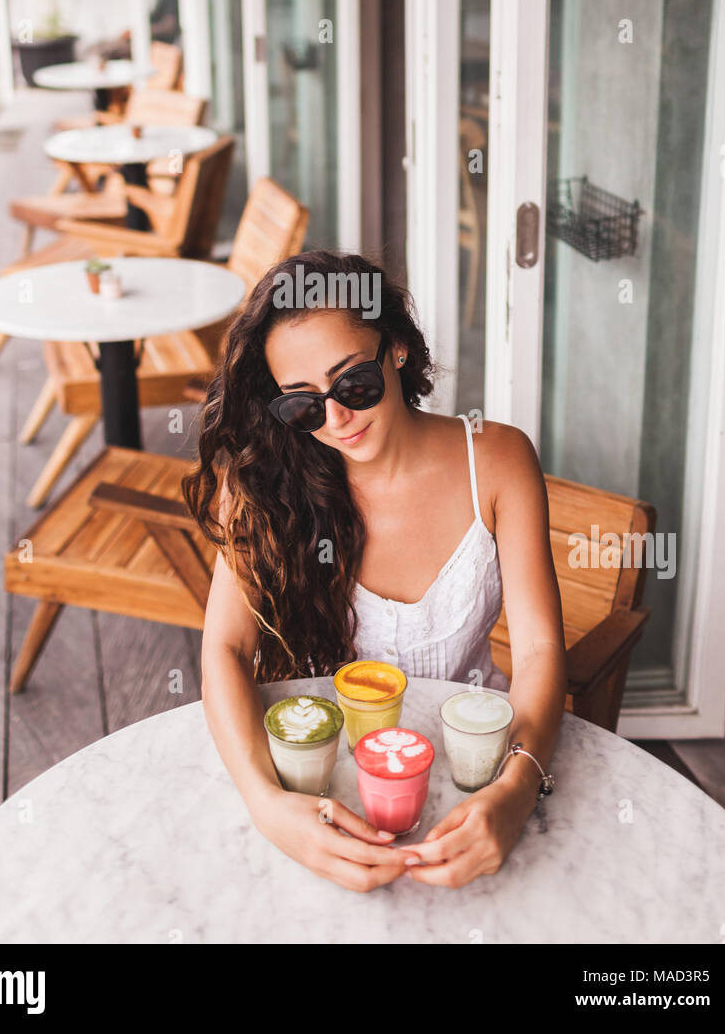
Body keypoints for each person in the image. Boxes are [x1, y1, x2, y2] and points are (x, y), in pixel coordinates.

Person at [185, 250, 567, 893]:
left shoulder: (498, 461)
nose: (335, 421)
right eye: (302, 406)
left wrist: (519, 787)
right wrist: (265, 803)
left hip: (474, 762)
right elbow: (224, 647)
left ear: (394, 349)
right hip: (330, 775)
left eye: (352, 384)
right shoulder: (268, 485)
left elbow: (538, 648)